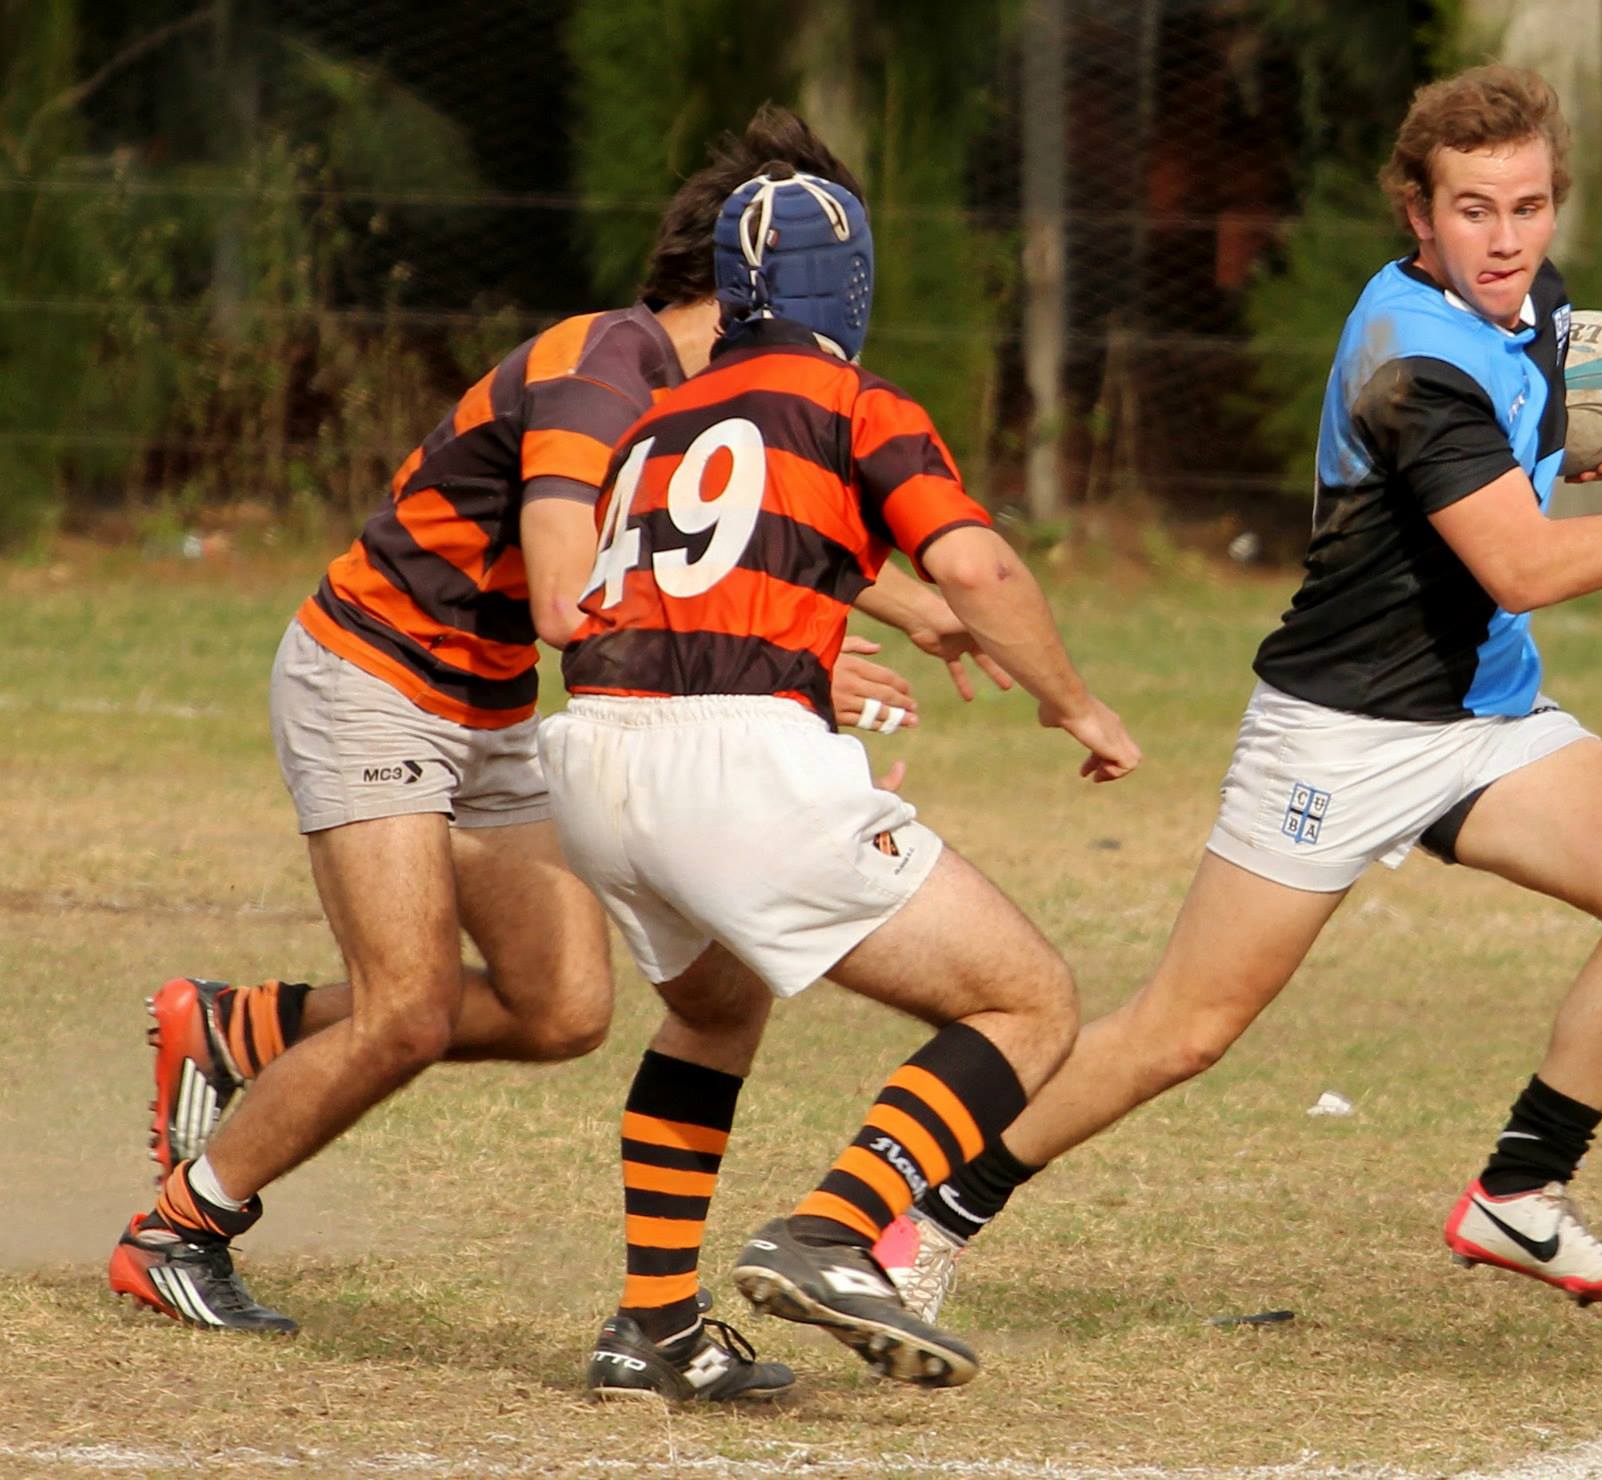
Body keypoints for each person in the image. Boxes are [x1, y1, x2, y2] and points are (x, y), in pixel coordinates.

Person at [876, 63, 1602, 1321]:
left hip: (1482, 715)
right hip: (1339, 732)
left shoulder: (1527, 304)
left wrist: (1595, 437)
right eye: (1471, 211)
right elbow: (1522, 562)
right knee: (1184, 1029)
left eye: (1528, 206)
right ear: (1415, 210)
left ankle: (1521, 1190)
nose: (1505, 241)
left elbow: (1530, 432)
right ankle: (923, 1224)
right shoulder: (1410, 364)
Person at [109, 110, 993, 1383]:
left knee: (561, 1005)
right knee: (408, 1010)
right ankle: (181, 1226)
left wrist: (915, 607)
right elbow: (564, 591)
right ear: (741, 272)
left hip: (491, 711)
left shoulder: (706, 398)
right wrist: (768, 659)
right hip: (373, 679)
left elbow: (721, 541)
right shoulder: (603, 362)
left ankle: (242, 1026)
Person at [543, 161, 1139, 1397]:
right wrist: (1073, 702)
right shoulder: (855, 402)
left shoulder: (661, 417)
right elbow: (978, 568)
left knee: (712, 1009)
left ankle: (652, 1325)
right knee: (1025, 1003)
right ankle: (832, 1228)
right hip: (732, 764)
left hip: (593, 755)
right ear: (850, 287)